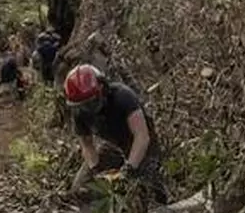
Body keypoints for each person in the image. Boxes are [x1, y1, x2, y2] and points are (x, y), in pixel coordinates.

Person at [63, 63, 168, 205]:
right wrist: (96, 170)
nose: (88, 108)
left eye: (91, 102)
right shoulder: (79, 112)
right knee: (81, 188)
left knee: (150, 192)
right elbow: (87, 145)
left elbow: (142, 136)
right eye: (83, 105)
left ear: (102, 88)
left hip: (140, 143)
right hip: (113, 145)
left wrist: (129, 169)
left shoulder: (122, 96)